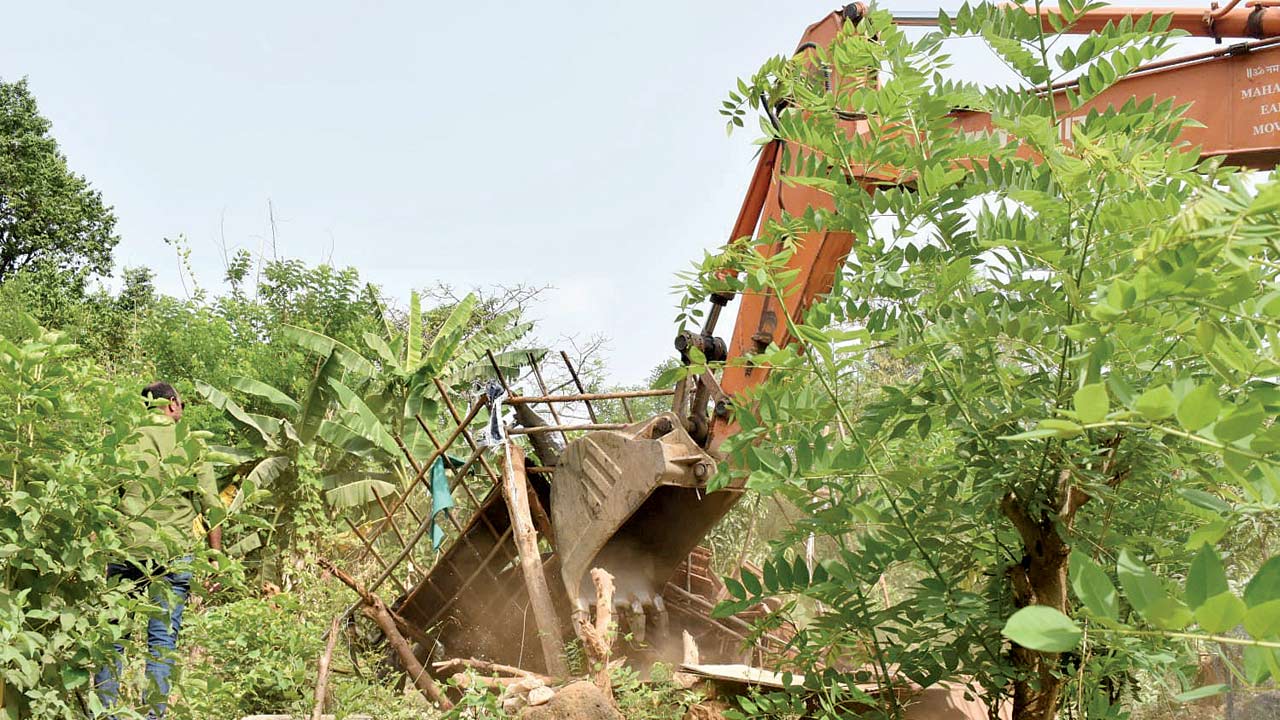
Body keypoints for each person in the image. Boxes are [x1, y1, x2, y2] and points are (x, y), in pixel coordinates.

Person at [94, 381, 224, 719]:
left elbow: (103, 500)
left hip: (126, 550)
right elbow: (212, 507)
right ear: (173, 405)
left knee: (112, 639)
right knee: (162, 645)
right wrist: (215, 557)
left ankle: (104, 713)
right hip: (172, 556)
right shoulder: (193, 446)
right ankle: (154, 716)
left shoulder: (126, 440)